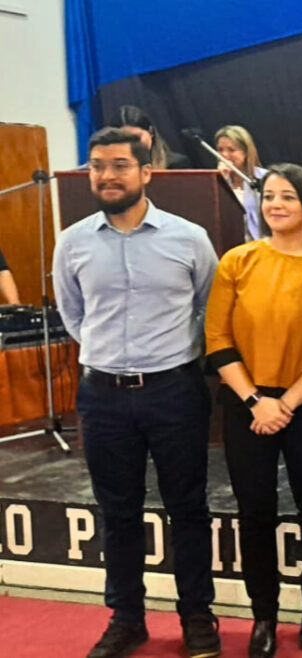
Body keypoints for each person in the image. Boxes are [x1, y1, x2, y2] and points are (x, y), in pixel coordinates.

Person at [52, 127, 219, 658]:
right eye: (98, 165)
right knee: (116, 511)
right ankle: (127, 618)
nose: (106, 174)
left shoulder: (188, 237)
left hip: (174, 391)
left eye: (120, 164)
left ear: (146, 173)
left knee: (187, 507)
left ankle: (197, 615)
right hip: (102, 397)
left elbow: (207, 308)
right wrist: (111, 356)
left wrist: (166, 356)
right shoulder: (72, 240)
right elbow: (72, 313)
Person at [204, 163, 302, 658]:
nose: (275, 205)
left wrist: (287, 402)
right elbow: (216, 338)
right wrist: (257, 401)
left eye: (287, 196)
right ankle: (264, 613)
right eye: (268, 196)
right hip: (247, 403)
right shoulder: (237, 261)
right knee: (254, 509)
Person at [214, 125, 269, 241]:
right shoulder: (214, 180)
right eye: (220, 150)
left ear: (245, 152)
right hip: (228, 242)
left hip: (260, 242)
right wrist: (221, 180)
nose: (224, 155)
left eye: (231, 150)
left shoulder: (265, 178)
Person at [110, 104, 192, 169]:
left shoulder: (176, 164)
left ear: (151, 132)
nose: (131, 145)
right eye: (123, 140)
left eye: (136, 138)